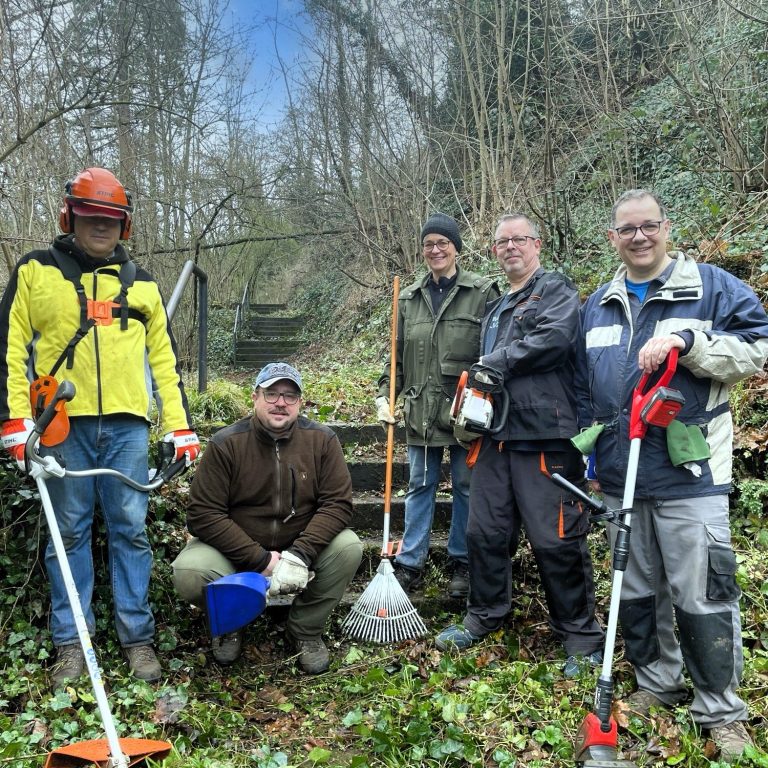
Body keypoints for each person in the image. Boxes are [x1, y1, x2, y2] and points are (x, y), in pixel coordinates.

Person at [573, 189, 768, 760]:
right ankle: (658, 682)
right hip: (619, 477)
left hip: (690, 472)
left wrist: (692, 342)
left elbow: (757, 349)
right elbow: (588, 391)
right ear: (612, 237)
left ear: (666, 227)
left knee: (703, 591)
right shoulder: (598, 305)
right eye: (627, 229)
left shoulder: (711, 288)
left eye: (648, 226)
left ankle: (722, 710)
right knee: (635, 591)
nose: (639, 237)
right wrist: (590, 463)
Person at [0, 167, 199, 687]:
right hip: (63, 428)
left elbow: (165, 364)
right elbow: (7, 349)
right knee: (68, 535)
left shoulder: (144, 285)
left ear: (124, 224)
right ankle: (73, 642)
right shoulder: (35, 271)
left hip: (129, 429)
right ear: (71, 216)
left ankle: (138, 639)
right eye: (91, 216)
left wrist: (179, 427)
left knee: (130, 531)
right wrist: (15, 422)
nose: (101, 227)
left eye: (111, 219)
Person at [436, 213, 605, 677]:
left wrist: (495, 361)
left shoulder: (555, 290)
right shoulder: (495, 308)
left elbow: (553, 339)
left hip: (545, 437)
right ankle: (485, 615)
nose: (510, 247)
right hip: (495, 440)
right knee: (483, 532)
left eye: (519, 239)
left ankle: (580, 634)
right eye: (501, 241)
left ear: (537, 244)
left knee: (556, 537)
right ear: (493, 251)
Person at [172, 362, 362, 674]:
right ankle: (230, 623)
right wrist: (262, 560)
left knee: (349, 547)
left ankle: (304, 630)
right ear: (255, 397)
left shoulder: (322, 440)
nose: (280, 403)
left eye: (290, 396)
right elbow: (203, 514)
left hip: (299, 548)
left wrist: (299, 556)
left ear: (300, 403)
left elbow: (338, 504)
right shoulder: (226, 443)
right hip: (235, 551)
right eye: (272, 394)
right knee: (191, 571)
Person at [376, 213, 499, 598]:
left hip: (465, 412)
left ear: (456, 249)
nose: (435, 250)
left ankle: (461, 561)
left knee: (465, 485)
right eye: (429, 243)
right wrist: (385, 394)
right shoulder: (408, 298)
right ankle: (411, 561)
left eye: (442, 243)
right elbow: (395, 358)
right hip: (419, 411)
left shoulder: (482, 292)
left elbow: (496, 352)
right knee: (420, 483)